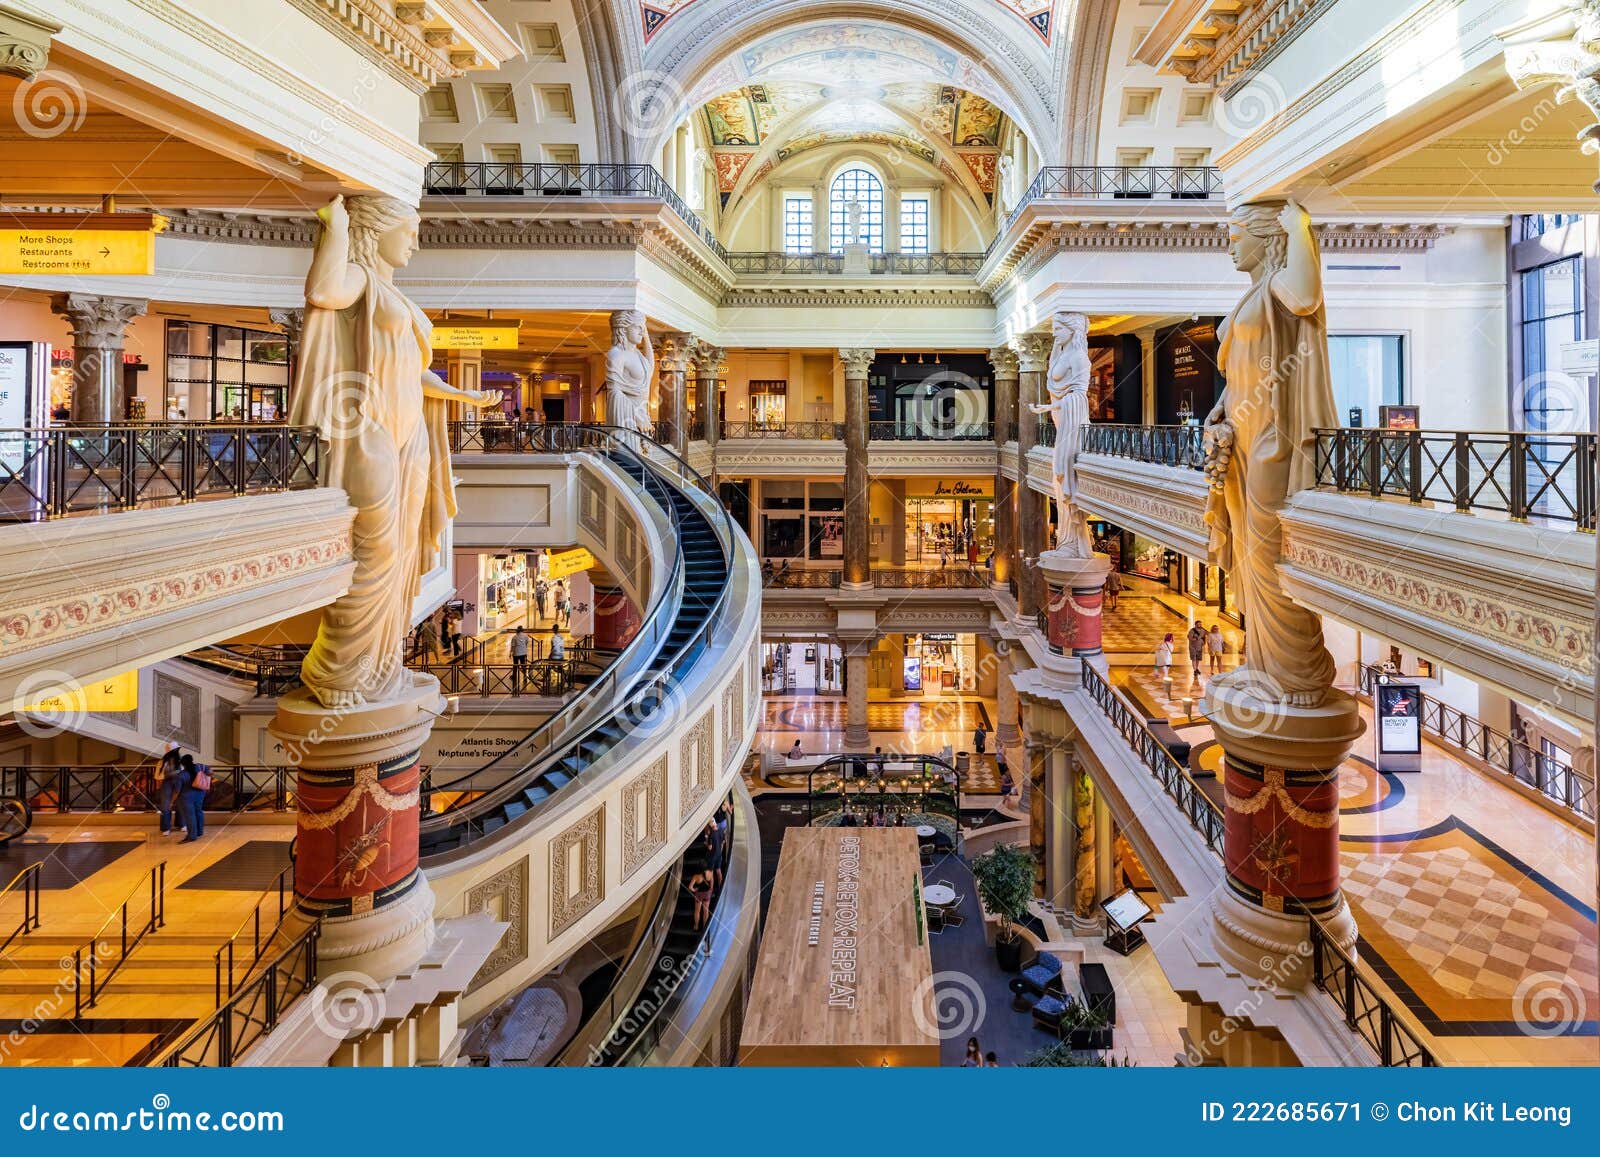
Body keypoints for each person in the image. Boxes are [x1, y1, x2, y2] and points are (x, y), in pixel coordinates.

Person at [177, 754, 208, 842]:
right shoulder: (200, 767)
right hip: (200, 794)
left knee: (190, 816)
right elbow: (210, 771)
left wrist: (172, 800)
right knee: (198, 812)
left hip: (186, 797)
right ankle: (199, 831)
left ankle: (192, 836)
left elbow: (177, 790)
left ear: (183, 764)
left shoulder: (181, 775)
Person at [157, 743, 183, 835]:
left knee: (180, 803)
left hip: (179, 782)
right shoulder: (163, 761)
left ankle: (181, 824)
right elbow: (158, 775)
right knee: (165, 805)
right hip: (166, 783)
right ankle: (165, 827)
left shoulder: (181, 760)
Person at [688, 867, 714, 932]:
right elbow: (712, 881)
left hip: (699, 895)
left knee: (697, 911)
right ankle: (705, 926)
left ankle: (696, 926)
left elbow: (690, 887)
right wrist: (711, 889)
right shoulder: (710, 872)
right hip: (707, 894)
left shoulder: (696, 876)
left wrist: (694, 890)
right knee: (706, 911)